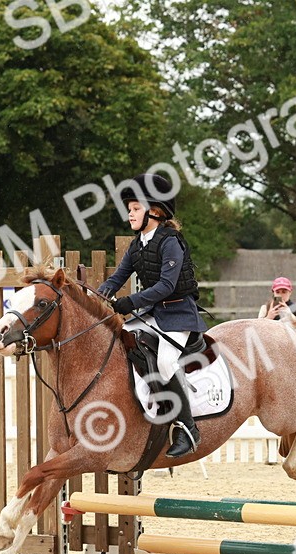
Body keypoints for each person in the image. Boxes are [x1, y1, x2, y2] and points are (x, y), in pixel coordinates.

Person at [98, 173, 207, 458]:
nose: (130, 214)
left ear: (155, 211)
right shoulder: (137, 245)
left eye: (135, 209)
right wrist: (96, 296)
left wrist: (130, 302)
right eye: (130, 209)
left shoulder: (171, 242)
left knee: (166, 361)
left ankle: (188, 429)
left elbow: (166, 286)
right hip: (155, 313)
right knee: (122, 341)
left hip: (179, 314)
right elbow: (117, 278)